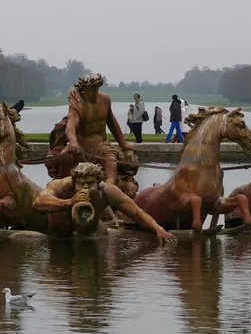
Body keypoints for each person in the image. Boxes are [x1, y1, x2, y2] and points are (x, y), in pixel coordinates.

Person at [33, 162, 174, 242]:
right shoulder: (61, 185)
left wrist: (158, 229)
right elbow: (38, 202)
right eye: (81, 183)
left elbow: (136, 213)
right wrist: (69, 202)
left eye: (89, 183)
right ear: (74, 181)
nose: (85, 187)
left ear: (98, 182)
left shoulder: (107, 191)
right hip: (60, 234)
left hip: (91, 232)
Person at [63, 72, 133, 186]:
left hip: (101, 144)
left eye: (96, 88)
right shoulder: (78, 101)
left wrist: (123, 143)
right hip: (82, 144)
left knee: (111, 161)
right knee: (64, 158)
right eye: (90, 89)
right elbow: (71, 123)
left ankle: (109, 187)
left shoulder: (105, 100)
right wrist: (73, 141)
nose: (93, 92)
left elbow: (112, 122)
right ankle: (66, 187)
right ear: (84, 89)